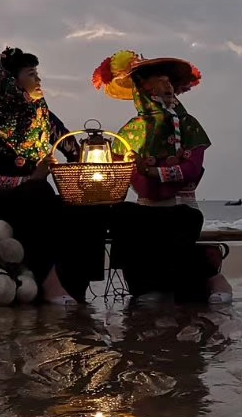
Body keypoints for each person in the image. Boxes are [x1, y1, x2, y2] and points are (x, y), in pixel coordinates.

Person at [92, 50, 232, 305]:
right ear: (143, 88)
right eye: (158, 79)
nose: (166, 84)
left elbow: (192, 169)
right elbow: (124, 176)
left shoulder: (189, 125)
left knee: (184, 220)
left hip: (180, 206)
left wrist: (154, 171)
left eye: (168, 79)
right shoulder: (130, 130)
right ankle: (145, 288)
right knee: (121, 214)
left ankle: (208, 279)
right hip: (148, 207)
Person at [0, 47, 106, 306]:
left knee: (88, 206)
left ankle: (78, 286)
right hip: (4, 203)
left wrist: (94, 161)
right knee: (39, 192)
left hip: (39, 201)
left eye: (38, 74)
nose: (38, 80)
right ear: (12, 81)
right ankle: (48, 282)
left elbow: (72, 149)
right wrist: (30, 178)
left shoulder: (43, 116)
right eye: (32, 74)